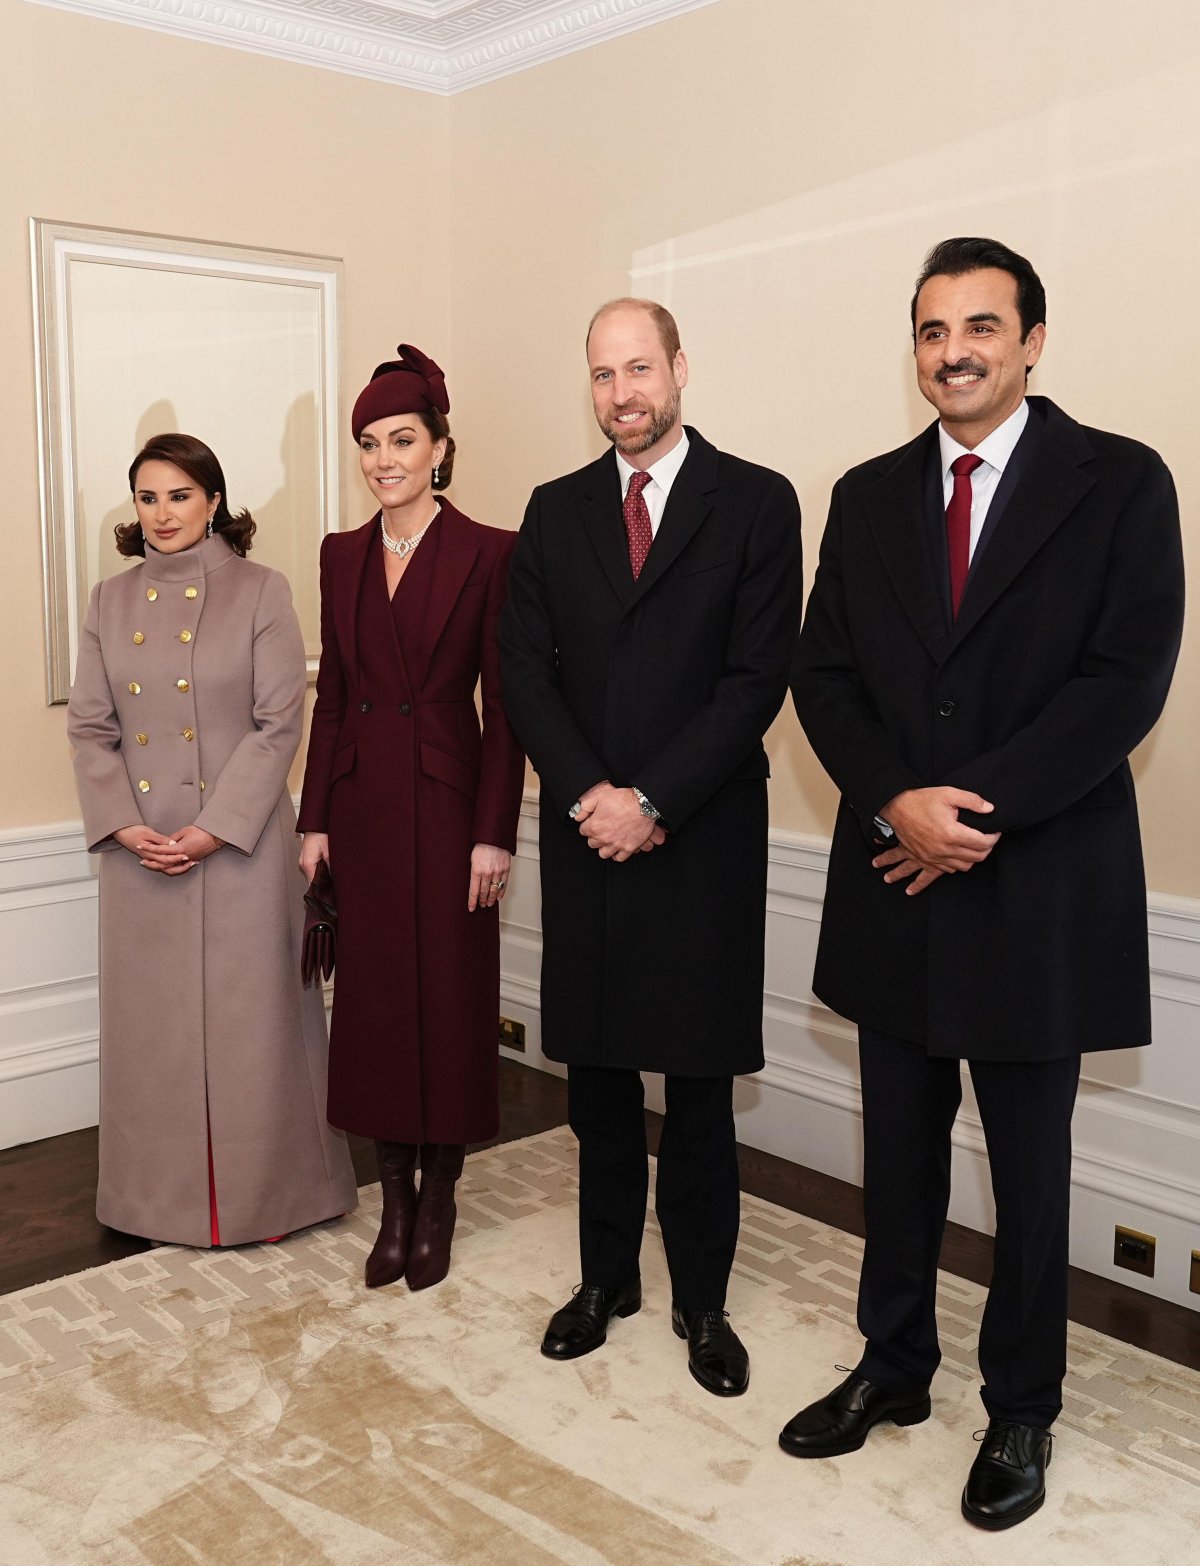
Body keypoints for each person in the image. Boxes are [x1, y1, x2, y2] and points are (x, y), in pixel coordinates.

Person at [786, 238, 1185, 1528]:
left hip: (1037, 892)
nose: (951, 350)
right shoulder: (864, 493)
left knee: (1029, 1172)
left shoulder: (1120, 483)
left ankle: (1023, 1409)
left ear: (1032, 340)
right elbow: (824, 675)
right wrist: (897, 799)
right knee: (893, 1156)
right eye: (929, 329)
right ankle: (894, 1366)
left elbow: (1126, 679)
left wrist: (978, 813)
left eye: (978, 326)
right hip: (895, 876)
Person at [498, 299, 803, 1396]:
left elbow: (756, 677)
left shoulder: (758, 502)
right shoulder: (555, 509)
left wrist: (655, 799)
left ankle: (704, 1303)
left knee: (703, 1088)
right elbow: (525, 671)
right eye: (600, 375)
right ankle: (602, 1282)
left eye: (638, 369)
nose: (621, 393)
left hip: (701, 836)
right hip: (588, 837)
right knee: (599, 1081)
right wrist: (592, 793)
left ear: (680, 368)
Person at [67, 433, 358, 1247]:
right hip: (141, 853)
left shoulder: (263, 591)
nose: (162, 514)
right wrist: (126, 824)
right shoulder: (107, 602)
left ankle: (280, 1197)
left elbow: (278, 725)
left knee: (259, 1031)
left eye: (179, 496)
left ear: (214, 502)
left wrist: (211, 829)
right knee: (152, 1039)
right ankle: (151, 1202)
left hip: (242, 846)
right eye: (148, 498)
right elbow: (91, 729)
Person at [298, 344, 524, 1293]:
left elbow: (506, 706)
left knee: (450, 1001)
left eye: (401, 439)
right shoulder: (340, 554)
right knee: (380, 1008)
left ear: (439, 447)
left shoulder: (491, 551)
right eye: (368, 443)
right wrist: (313, 819)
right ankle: (392, 1197)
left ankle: (441, 1197)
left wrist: (495, 831)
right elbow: (333, 692)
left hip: (448, 802)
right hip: (360, 810)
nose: (382, 458)